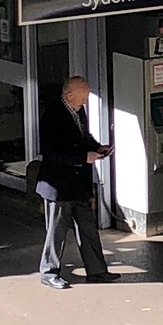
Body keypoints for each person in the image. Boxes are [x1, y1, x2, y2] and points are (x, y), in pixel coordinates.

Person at [35, 76, 120, 289]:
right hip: (58, 185)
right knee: (57, 231)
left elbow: (83, 137)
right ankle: (49, 272)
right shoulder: (52, 116)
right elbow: (51, 152)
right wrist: (83, 157)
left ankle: (97, 271)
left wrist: (97, 147)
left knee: (88, 228)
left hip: (78, 183)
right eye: (82, 98)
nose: (85, 103)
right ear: (69, 94)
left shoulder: (77, 109)